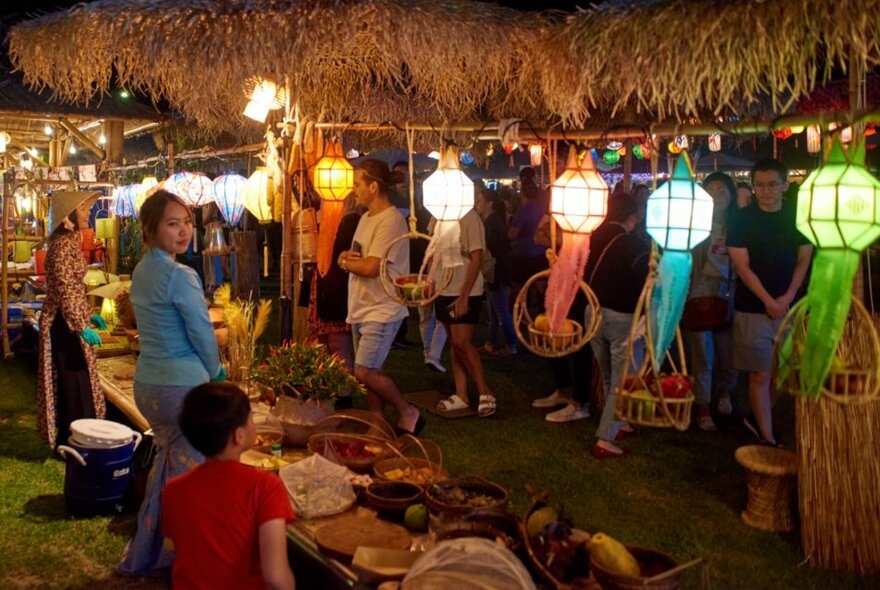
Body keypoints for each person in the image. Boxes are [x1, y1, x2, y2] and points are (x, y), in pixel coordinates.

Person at [118, 190, 224, 576]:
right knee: (190, 480)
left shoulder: (143, 270)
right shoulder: (181, 275)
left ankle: (152, 552)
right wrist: (216, 372)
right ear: (150, 229)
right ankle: (181, 559)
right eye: (172, 223)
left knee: (169, 468)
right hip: (182, 389)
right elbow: (201, 330)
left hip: (149, 385)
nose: (183, 232)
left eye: (187, 223)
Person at [164, 382, 296, 590]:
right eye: (251, 418)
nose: (254, 423)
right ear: (239, 436)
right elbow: (276, 577)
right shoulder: (265, 486)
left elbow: (172, 546)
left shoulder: (173, 489)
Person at [727, 159, 812, 446]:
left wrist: (787, 296)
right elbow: (742, 266)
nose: (766, 191)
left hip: (790, 304)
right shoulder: (741, 218)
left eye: (772, 184)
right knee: (760, 371)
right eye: (760, 185)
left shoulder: (797, 215)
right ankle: (767, 436)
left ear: (785, 185)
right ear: (753, 186)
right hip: (753, 306)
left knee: (784, 371)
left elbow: (804, 258)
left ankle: (756, 417)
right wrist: (768, 300)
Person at [337, 159, 423, 435]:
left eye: (357, 184)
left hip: (382, 307)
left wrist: (344, 263)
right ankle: (376, 419)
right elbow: (354, 256)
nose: (354, 191)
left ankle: (407, 411)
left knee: (363, 371)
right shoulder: (365, 218)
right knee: (372, 370)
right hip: (362, 305)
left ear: (373, 186)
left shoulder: (392, 220)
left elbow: (371, 267)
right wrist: (344, 259)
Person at [37, 191, 106, 449]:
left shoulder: (70, 241)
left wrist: (89, 315)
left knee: (78, 379)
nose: (89, 212)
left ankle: (82, 436)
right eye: (84, 209)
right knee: (73, 381)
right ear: (69, 216)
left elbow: (74, 290)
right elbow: (65, 290)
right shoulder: (63, 245)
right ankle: (76, 439)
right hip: (63, 323)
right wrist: (80, 325)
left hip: (71, 318)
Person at [586, 192, 650, 458]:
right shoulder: (633, 245)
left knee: (610, 375)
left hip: (592, 313)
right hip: (621, 317)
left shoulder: (589, 236)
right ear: (632, 217)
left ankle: (619, 422)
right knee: (621, 380)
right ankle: (605, 438)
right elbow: (645, 285)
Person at [684, 172, 739, 431]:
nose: (716, 197)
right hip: (701, 291)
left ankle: (725, 392)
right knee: (703, 353)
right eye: (710, 191)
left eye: (721, 191)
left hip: (732, 291)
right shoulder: (696, 223)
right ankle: (703, 406)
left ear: (731, 194)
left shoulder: (740, 225)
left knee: (730, 352)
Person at [433, 205, 497, 417]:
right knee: (454, 342)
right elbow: (434, 251)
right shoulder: (438, 215)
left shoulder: (470, 218)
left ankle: (484, 391)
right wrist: (430, 282)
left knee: (462, 341)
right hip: (443, 287)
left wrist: (464, 295)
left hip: (465, 289)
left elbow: (477, 258)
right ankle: (461, 394)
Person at [309, 193, 361, 410]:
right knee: (323, 341)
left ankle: (344, 393)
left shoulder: (352, 221)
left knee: (338, 342)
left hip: (338, 288)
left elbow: (349, 255)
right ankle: (327, 388)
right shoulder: (326, 217)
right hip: (323, 284)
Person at [475, 189, 516, 356]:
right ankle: (489, 343)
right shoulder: (490, 221)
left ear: (489, 204)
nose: (476, 204)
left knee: (501, 311)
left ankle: (511, 345)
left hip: (497, 274)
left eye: (479, 201)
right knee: (493, 310)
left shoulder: (492, 224)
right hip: (494, 273)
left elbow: (493, 250)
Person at [509, 167, 549, 291]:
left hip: (523, 254)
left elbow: (512, 234)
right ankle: (543, 308)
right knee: (540, 286)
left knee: (520, 288)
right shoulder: (542, 203)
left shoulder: (522, 211)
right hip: (541, 250)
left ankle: (519, 308)